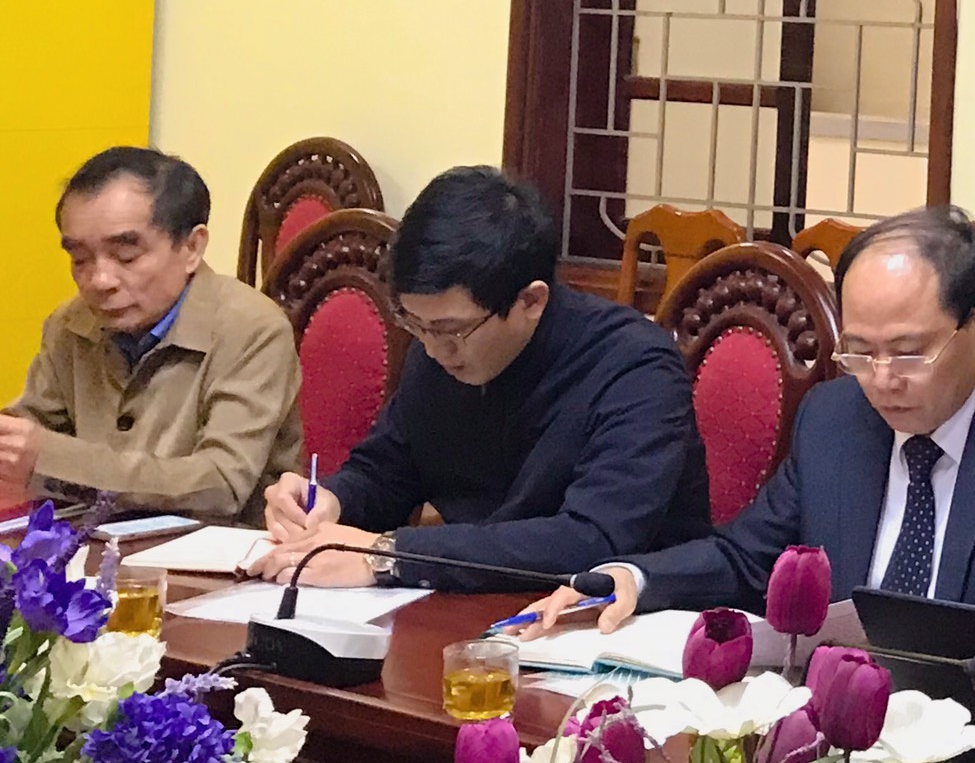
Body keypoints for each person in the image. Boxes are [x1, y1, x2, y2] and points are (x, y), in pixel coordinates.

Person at [516, 205, 975, 633]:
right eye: (860, 352)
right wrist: (634, 576)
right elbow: (749, 558)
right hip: (831, 720)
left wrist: (929, 645)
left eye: (909, 352)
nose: (882, 380)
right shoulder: (835, 417)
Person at [257, 167, 711, 591]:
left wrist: (388, 555)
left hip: (616, 623)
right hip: (467, 608)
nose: (433, 349)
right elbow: (387, 471)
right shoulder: (440, 346)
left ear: (531, 301)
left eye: (450, 330)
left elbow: (591, 539)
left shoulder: (636, 367)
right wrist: (332, 499)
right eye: (414, 324)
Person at [1, 147, 302, 523]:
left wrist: (51, 459)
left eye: (126, 257)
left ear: (191, 247)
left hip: (221, 549)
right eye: (80, 259)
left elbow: (221, 485)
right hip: (93, 543)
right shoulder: (70, 324)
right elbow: (32, 430)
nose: (100, 281)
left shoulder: (252, 328)